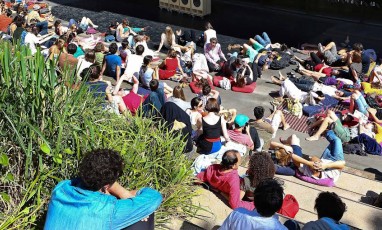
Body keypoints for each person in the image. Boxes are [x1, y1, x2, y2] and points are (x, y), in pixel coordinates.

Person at [44, 149, 162, 230]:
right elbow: (154, 197)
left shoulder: (61, 188)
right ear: (106, 186)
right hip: (108, 204)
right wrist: (127, 193)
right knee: (142, 217)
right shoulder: (109, 210)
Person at [220, 178, 288, 230]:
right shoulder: (281, 228)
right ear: (279, 205)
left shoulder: (237, 213)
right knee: (291, 224)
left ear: (254, 200)